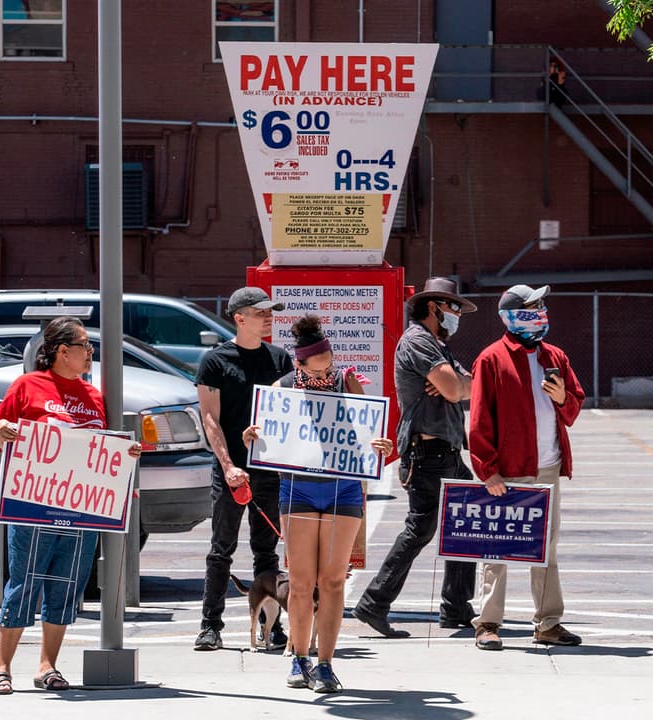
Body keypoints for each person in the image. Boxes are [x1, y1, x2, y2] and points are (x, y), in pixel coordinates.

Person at [0, 316, 141, 695]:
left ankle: (47, 666)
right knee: (24, 582)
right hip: (32, 506)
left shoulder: (93, 396)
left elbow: (102, 447)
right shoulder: (28, 385)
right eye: (85, 345)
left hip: (80, 511)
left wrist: (126, 453)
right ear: (61, 351)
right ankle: (2, 667)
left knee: (66, 585)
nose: (90, 352)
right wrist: (2, 431)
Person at [244, 315, 393, 693]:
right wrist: (253, 436)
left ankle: (325, 664)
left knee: (333, 580)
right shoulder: (281, 389)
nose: (326, 371)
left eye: (329, 363)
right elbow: (265, 439)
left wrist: (381, 445)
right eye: (318, 366)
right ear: (300, 363)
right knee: (300, 582)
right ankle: (299, 659)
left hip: (343, 490)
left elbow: (368, 434)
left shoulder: (347, 382)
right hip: (299, 490)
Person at [353, 277, 478, 637]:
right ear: (434, 307)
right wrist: (452, 384)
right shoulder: (418, 341)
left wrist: (454, 383)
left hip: (446, 451)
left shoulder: (437, 346)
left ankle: (456, 605)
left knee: (464, 524)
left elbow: (470, 384)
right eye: (453, 307)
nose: (457, 315)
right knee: (420, 528)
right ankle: (374, 602)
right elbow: (454, 389)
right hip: (427, 453)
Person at [468, 284, 584, 651]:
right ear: (511, 316)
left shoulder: (555, 356)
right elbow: (479, 420)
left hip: (547, 466)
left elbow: (574, 407)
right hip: (507, 470)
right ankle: (488, 623)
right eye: (532, 307)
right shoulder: (491, 359)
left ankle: (548, 623)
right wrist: (488, 470)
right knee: (496, 548)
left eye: (541, 305)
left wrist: (563, 398)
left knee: (546, 548)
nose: (540, 312)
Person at [194, 286, 295, 651]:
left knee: (266, 551)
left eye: (271, 312)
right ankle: (210, 625)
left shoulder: (280, 359)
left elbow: (289, 412)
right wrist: (228, 466)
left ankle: (272, 625)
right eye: (261, 312)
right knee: (221, 547)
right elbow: (210, 418)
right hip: (232, 469)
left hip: (269, 470)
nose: (269, 318)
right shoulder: (215, 361)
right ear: (239, 318)